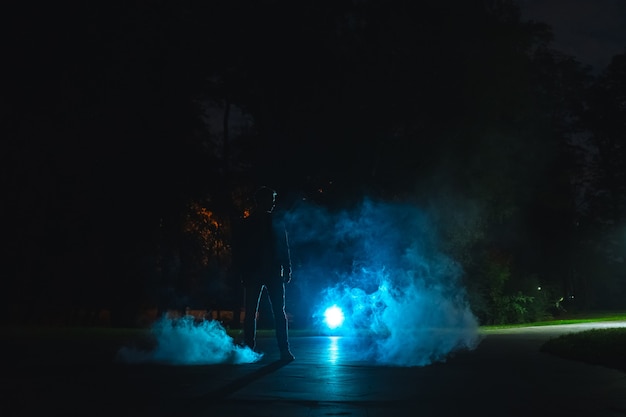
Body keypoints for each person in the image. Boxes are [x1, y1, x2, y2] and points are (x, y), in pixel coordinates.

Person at [237, 186, 294, 361]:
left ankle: (277, 349)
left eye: (273, 200)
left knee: (270, 311)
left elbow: (283, 248)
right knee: (269, 311)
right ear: (261, 201)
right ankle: (255, 349)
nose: (272, 204)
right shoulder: (253, 223)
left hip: (267, 271)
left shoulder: (266, 222)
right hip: (260, 271)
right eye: (270, 200)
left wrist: (287, 267)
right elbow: (242, 251)